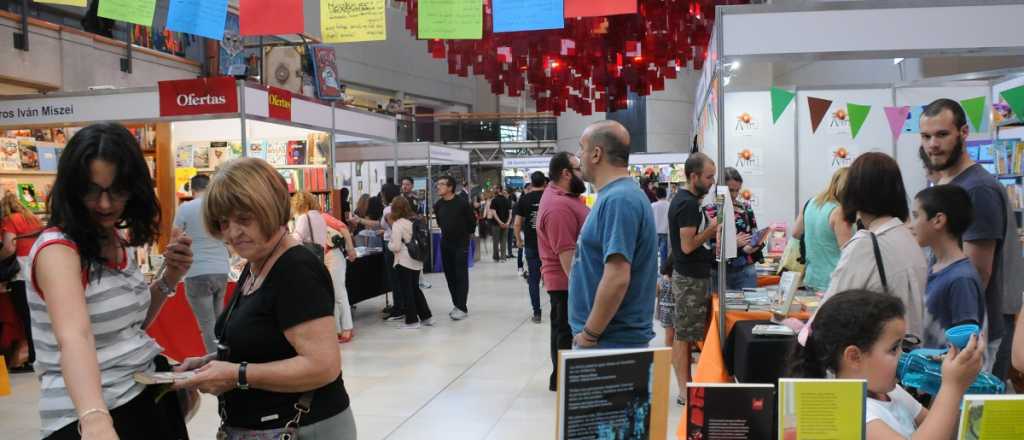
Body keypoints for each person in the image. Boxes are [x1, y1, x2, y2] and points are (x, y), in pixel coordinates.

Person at [29, 123, 194, 439]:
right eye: (92, 190)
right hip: (91, 411)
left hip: (143, 395)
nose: (105, 204)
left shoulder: (113, 237)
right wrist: (94, 418)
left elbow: (128, 326)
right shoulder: (58, 250)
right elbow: (74, 337)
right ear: (72, 189)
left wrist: (170, 277)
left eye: (116, 190)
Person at [176, 158, 355, 439]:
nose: (233, 233)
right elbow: (268, 345)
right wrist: (212, 363)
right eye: (224, 223)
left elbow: (323, 366)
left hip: (302, 428)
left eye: (244, 219)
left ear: (269, 209)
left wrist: (236, 374)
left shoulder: (295, 270)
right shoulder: (257, 263)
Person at [787, 290, 983, 439]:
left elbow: (942, 429)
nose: (903, 355)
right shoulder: (852, 413)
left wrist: (953, 385)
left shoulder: (891, 392)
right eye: (894, 348)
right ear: (854, 357)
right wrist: (952, 388)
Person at [921, 98, 1023, 377]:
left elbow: (977, 273)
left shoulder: (977, 189)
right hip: (955, 328)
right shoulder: (947, 183)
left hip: (973, 332)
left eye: (942, 134)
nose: (932, 144)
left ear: (963, 132)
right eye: (926, 136)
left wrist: (958, 337)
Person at [800, 153, 928, 344]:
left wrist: (803, 336)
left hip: (872, 350)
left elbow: (830, 311)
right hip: (908, 349)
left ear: (854, 192)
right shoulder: (908, 239)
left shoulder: (865, 244)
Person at [569, 120, 658, 350]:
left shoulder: (619, 200)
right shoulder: (617, 196)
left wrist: (590, 334)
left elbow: (617, 276)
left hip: (610, 341)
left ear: (596, 154)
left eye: (582, 148)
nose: (578, 157)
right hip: (608, 339)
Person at [669, 152, 721, 405]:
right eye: (709, 177)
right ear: (693, 176)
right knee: (684, 336)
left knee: (686, 334)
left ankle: (687, 386)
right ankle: (684, 390)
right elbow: (687, 245)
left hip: (693, 277)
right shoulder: (688, 204)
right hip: (689, 278)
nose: (712, 182)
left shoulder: (689, 202)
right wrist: (712, 230)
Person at [908, 185, 985, 348]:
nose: (911, 225)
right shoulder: (935, 266)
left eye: (916, 216)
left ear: (938, 220)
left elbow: (967, 347)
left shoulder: (961, 279)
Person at [537, 152, 589, 391]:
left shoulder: (565, 198)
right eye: (579, 168)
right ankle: (563, 380)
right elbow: (567, 256)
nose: (583, 172)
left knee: (563, 329)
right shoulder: (558, 207)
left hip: (567, 281)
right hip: (566, 282)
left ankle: (562, 378)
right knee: (565, 331)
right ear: (566, 174)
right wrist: (583, 289)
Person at [172, 174, 230, 356]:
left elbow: (175, 239)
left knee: (207, 324)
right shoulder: (218, 207)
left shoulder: (185, 208)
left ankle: (216, 362)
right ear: (210, 187)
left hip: (197, 270)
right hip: (221, 269)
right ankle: (226, 358)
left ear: (192, 190)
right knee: (220, 322)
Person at [0, 191, 43, 372]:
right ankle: (41, 356)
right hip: (39, 269)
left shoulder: (10, 220)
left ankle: (33, 358)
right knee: (40, 316)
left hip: (21, 273)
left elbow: (10, 247)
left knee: (27, 318)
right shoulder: (34, 219)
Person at [792, 167, 853, 293]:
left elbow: (796, 233)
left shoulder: (811, 203)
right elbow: (849, 252)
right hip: (833, 282)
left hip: (811, 278)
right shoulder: (839, 212)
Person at [705, 167, 763, 290]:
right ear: (720, 188)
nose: (734, 195)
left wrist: (754, 244)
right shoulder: (709, 211)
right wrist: (731, 243)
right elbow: (705, 247)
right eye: (731, 190)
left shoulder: (745, 208)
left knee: (748, 302)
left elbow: (755, 235)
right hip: (719, 271)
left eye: (737, 190)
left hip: (745, 269)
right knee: (719, 302)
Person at [387, 196, 433, 330]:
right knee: (415, 289)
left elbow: (396, 247)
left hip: (403, 261)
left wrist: (389, 244)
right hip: (416, 259)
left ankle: (412, 320)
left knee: (406, 291)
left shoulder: (397, 224)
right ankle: (426, 316)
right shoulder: (411, 222)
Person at [434, 175, 476, 320]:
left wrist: (464, 236)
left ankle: (462, 307)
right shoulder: (438, 205)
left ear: (450, 187)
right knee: (450, 275)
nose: (438, 186)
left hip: (461, 243)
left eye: (442, 184)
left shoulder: (462, 203)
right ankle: (456, 304)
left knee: (461, 274)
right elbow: (440, 222)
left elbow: (472, 222)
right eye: (438, 184)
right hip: (445, 243)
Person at [515, 172, 546, 323]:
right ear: (545, 183)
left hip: (531, 245)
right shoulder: (550, 197)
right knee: (554, 278)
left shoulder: (524, 199)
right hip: (549, 246)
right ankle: (559, 311)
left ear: (531, 183)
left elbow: (517, 224)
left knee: (533, 279)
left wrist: (518, 240)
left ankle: (537, 313)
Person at [323, 210, 359, 343]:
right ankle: (338, 328)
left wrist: (350, 248)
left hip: (333, 255)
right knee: (333, 293)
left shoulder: (322, 217)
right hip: (326, 256)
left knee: (339, 293)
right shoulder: (315, 218)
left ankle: (347, 328)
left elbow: (343, 227)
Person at [490, 186, 512, 262]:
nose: (494, 190)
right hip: (506, 224)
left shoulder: (494, 200)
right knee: (504, 241)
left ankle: (496, 258)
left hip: (496, 224)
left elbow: (494, 213)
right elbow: (510, 213)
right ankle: (503, 258)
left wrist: (500, 222)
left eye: (495, 189)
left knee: (495, 242)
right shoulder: (507, 200)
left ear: (499, 190)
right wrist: (507, 222)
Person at [652, 186, 670, 265]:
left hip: (655, 232)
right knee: (664, 254)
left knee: (653, 254)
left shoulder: (653, 205)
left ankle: (653, 269)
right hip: (665, 232)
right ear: (665, 194)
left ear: (656, 195)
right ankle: (663, 270)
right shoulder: (669, 205)